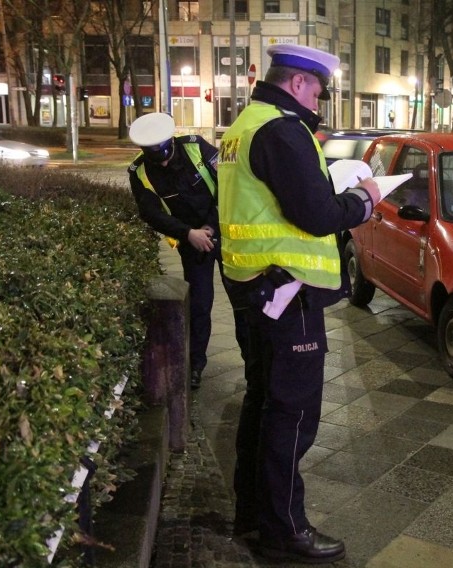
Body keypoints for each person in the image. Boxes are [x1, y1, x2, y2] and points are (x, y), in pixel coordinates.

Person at [217, 44, 382, 564]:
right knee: (291, 413)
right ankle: (285, 530)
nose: (320, 100)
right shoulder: (283, 129)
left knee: (262, 403)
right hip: (286, 295)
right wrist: (365, 200)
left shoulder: (244, 125)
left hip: (254, 288)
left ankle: (252, 517)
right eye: (318, 90)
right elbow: (316, 214)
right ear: (297, 84)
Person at [128, 112, 239, 390]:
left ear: (171, 142)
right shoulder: (140, 172)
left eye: (165, 154)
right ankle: (196, 366)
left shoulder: (196, 147)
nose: (163, 162)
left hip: (226, 235)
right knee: (199, 307)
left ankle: (255, 366)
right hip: (191, 244)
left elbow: (229, 185)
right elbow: (151, 214)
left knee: (243, 301)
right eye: (157, 159)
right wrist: (189, 234)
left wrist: (210, 227)